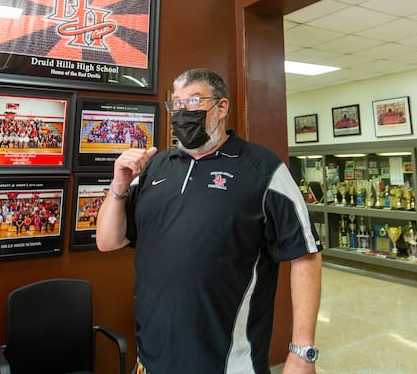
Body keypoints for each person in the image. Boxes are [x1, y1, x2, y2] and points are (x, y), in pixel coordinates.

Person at [96, 68, 323, 374]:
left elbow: (305, 255)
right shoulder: (156, 167)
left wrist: (301, 352)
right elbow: (108, 242)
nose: (181, 112)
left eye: (193, 100)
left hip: (228, 363)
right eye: (176, 104)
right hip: (152, 357)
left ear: (221, 107)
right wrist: (119, 184)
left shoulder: (263, 169)